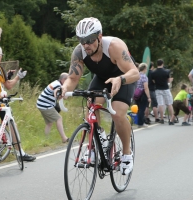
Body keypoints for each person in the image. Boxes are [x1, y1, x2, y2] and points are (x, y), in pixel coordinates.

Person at [59, 17, 139, 175]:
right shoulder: (79, 51)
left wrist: (120, 79)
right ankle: (98, 141)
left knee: (117, 113)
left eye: (89, 40)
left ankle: (127, 154)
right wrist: (64, 89)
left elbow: (135, 72)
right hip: (103, 78)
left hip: (123, 76)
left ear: (99, 37)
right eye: (82, 40)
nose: (86, 45)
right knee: (91, 104)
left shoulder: (114, 47)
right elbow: (73, 78)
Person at [0, 45, 36, 161]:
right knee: (11, 124)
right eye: (1, 55)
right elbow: (8, 85)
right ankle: (20, 152)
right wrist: (17, 78)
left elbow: (0, 81)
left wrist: (7, 76)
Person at [37, 73, 69, 143]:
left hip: (41, 104)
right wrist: (63, 94)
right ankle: (64, 138)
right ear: (63, 80)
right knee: (59, 118)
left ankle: (45, 139)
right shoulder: (58, 85)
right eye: (67, 80)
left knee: (49, 123)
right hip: (45, 105)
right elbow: (58, 93)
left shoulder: (56, 83)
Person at [151, 59, 175, 125]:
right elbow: (168, 81)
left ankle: (161, 118)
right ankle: (172, 118)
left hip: (158, 89)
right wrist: (170, 80)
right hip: (165, 88)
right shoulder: (166, 72)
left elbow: (153, 81)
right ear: (162, 63)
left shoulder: (154, 72)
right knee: (169, 103)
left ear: (157, 64)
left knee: (160, 104)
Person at [135, 63, 151, 128]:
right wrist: (149, 97)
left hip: (136, 93)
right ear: (144, 69)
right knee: (142, 109)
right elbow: (146, 87)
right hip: (142, 94)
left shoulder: (136, 75)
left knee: (138, 108)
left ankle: (139, 122)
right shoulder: (144, 77)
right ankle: (141, 123)